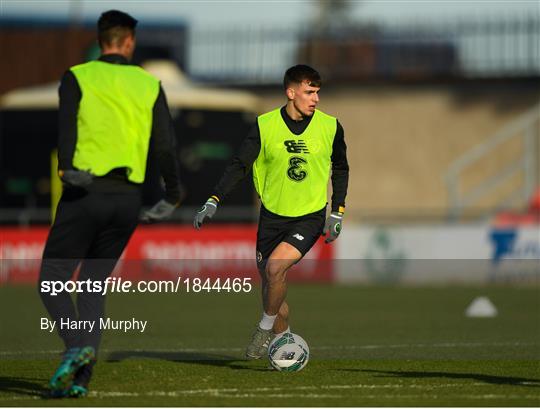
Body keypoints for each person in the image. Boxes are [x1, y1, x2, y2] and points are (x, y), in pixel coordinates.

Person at [38, 10, 182, 398]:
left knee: (52, 278)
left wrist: (67, 168)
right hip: (128, 200)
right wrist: (172, 194)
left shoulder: (78, 76)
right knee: (93, 287)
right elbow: (166, 145)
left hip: (86, 192)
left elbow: (66, 128)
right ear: (129, 41)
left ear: (101, 40)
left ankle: (74, 348)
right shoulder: (149, 84)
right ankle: (81, 382)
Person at [193, 64, 349, 359]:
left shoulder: (330, 126)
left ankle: (262, 331)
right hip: (272, 217)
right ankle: (285, 341)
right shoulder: (265, 125)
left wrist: (337, 210)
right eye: (309, 92)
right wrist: (214, 198)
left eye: (317, 92)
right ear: (291, 93)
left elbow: (341, 168)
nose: (315, 99)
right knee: (271, 285)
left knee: (275, 268)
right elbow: (240, 165)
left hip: (309, 216)